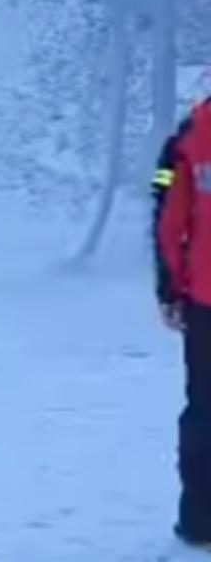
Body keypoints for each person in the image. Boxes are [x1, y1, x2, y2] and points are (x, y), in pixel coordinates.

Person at [155, 102, 211, 547]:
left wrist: (170, 287)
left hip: (206, 300)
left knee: (204, 412)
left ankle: (199, 519)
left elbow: (170, 219)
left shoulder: (193, 132)